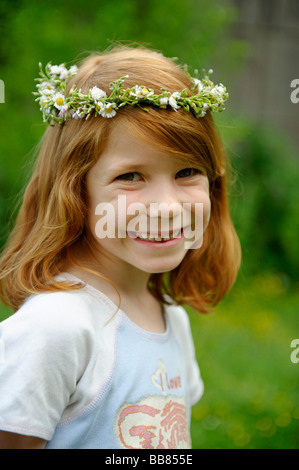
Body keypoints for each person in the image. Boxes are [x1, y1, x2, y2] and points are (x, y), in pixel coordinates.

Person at [0, 45, 241, 449]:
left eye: (186, 171)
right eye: (131, 176)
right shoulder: (57, 329)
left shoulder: (171, 319)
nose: (166, 207)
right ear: (75, 191)